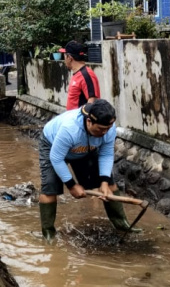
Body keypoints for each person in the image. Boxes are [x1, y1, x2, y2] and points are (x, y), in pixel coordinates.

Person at [38, 100, 140, 240]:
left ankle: (122, 224)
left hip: (84, 149)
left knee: (109, 184)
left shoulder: (108, 128)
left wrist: (103, 181)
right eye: (100, 129)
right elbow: (56, 158)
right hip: (52, 146)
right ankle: (48, 233)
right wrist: (71, 185)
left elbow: (106, 153)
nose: (104, 133)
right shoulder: (70, 128)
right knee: (50, 188)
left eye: (107, 129)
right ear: (89, 121)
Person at [60, 40, 100, 110]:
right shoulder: (78, 74)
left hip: (79, 120)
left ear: (69, 58)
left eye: (64, 56)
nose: (64, 60)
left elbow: (92, 101)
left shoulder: (86, 75)